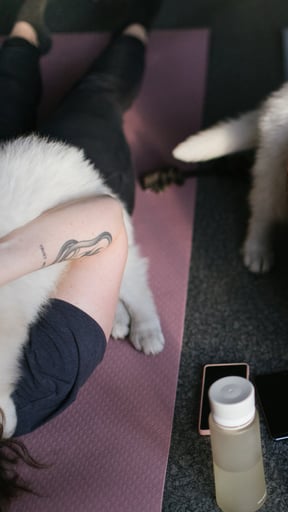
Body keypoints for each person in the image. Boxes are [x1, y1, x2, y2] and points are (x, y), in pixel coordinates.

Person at [0, 0, 160, 505]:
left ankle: (25, 30)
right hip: (73, 192)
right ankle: (136, 22)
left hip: (11, 183)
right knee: (96, 95)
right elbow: (106, 228)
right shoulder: (47, 372)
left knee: (7, 94)